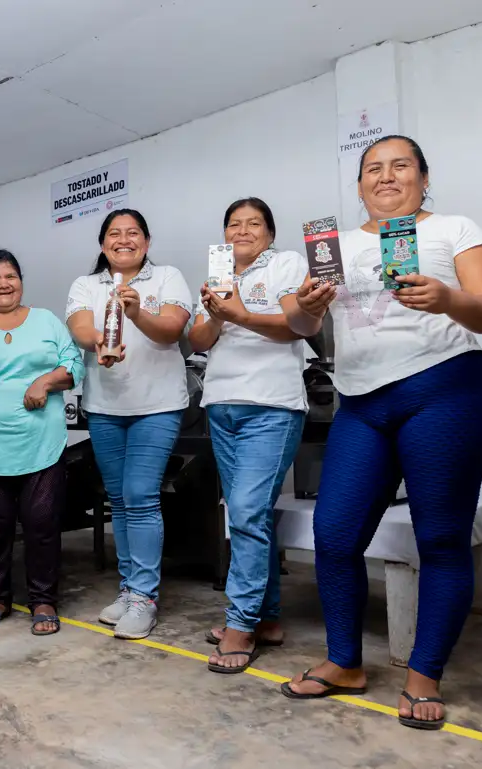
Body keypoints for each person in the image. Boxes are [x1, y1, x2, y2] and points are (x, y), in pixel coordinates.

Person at [281, 136, 482, 730]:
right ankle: (345, 663)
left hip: (444, 391)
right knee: (333, 536)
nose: (386, 176)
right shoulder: (333, 246)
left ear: (423, 177)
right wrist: (305, 307)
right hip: (361, 402)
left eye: (400, 166)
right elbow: (306, 326)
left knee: (439, 540)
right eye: (372, 169)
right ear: (359, 187)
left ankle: (423, 673)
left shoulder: (454, 229)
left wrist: (449, 298)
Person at [188, 198, 308, 674]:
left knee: (245, 512)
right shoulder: (218, 273)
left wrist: (238, 314)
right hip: (222, 404)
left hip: (272, 405)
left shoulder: (287, 265)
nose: (242, 230)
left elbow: (295, 326)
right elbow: (197, 341)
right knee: (248, 515)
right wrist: (217, 313)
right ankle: (268, 618)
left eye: (253, 223)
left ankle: (240, 624)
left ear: (270, 233)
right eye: (233, 224)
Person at [65, 209, 193, 640]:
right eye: (114, 234)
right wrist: (100, 341)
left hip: (156, 405)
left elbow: (173, 329)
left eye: (133, 233)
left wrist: (137, 314)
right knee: (118, 499)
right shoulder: (87, 284)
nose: (124, 240)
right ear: (103, 245)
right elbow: (81, 326)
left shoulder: (167, 277)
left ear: (147, 241)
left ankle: (144, 596)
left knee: (140, 495)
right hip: (104, 405)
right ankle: (128, 587)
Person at [0, 251, 83, 635]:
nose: (4, 284)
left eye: (10, 275)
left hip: (41, 440)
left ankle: (43, 599)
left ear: (21, 280)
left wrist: (44, 382)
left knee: (42, 523)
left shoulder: (46, 321)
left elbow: (73, 364)